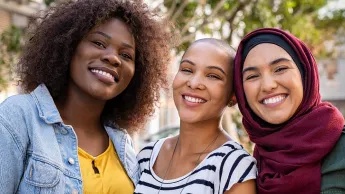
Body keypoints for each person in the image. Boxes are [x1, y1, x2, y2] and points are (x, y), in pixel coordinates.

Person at [0, 0, 173, 193]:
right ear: (69, 46)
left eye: (126, 55)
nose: (113, 58)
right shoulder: (19, 117)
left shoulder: (123, 144)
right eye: (98, 43)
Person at [134, 38, 257, 194]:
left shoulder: (235, 167)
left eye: (213, 76)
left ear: (233, 95)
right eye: (187, 70)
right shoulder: (148, 155)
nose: (194, 83)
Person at [233, 28, 345, 194]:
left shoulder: (340, 148)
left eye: (280, 69)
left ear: (304, 74)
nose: (268, 85)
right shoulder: (250, 166)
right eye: (252, 76)